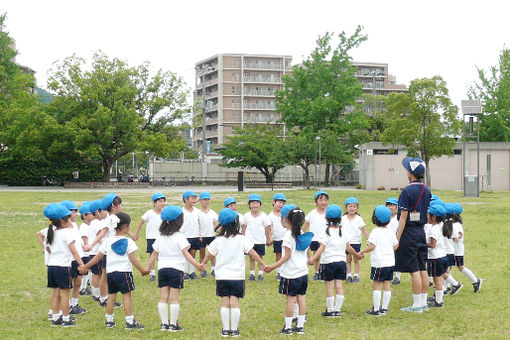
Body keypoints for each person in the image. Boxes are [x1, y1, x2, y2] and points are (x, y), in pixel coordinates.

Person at [202, 208, 265, 337]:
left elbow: (209, 254)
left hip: (222, 277)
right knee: (234, 301)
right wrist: (262, 264)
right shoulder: (242, 239)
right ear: (236, 224)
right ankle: (234, 329)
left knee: (225, 301)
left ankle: (225, 329)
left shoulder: (218, 240)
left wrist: (202, 264)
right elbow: (253, 253)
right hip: (237, 277)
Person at [79, 212, 148, 329]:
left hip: (111, 274)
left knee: (111, 296)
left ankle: (109, 320)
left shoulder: (107, 241)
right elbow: (132, 258)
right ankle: (130, 322)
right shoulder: (128, 242)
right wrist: (142, 270)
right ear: (126, 227)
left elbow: (98, 257)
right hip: (124, 273)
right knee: (126, 296)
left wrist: (86, 266)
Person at [145, 206, 204, 332]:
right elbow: (186, 254)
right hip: (176, 270)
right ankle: (173, 324)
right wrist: (197, 265)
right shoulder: (180, 237)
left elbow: (154, 254)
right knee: (174, 299)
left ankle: (164, 324)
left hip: (162, 270)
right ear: (179, 221)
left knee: (163, 297)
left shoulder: (160, 237)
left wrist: (148, 267)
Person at [265, 206, 312, 335]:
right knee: (302, 299)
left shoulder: (288, 237)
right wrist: (310, 258)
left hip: (291, 275)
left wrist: (272, 267)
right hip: (303, 273)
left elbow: (286, 256)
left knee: (291, 300)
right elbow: (307, 249)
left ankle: (288, 327)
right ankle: (300, 326)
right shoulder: (302, 234)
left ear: (286, 220)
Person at [308, 204, 360, 317]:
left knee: (330, 287)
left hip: (328, 263)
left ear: (326, 218)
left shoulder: (325, 232)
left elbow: (321, 249)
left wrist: (312, 259)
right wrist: (357, 255)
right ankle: (337, 310)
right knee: (339, 286)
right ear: (340, 219)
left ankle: (330, 310)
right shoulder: (343, 231)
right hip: (341, 263)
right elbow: (349, 247)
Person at [395, 157, 431, 313]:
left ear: (410, 173)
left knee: (413, 269)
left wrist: (396, 238)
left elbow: (403, 217)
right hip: (421, 231)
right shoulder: (426, 190)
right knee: (422, 267)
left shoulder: (407, 191)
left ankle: (416, 305)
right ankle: (423, 302)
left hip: (409, 233)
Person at [43, 203, 85, 327]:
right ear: (62, 221)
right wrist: (81, 264)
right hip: (63, 267)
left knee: (55, 292)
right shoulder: (67, 233)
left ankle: (55, 318)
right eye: (68, 218)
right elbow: (73, 250)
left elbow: (48, 249)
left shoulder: (50, 232)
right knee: (65, 293)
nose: (70, 220)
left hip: (51, 266)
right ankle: (66, 319)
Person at [359, 206, 399, 316]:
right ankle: (384, 308)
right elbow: (396, 246)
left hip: (379, 264)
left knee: (377, 285)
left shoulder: (375, 231)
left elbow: (372, 246)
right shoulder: (390, 231)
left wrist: (362, 251)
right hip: (390, 263)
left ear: (375, 219)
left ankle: (376, 309)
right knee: (387, 285)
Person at [60, 200, 88, 315]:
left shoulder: (75, 225)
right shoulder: (62, 228)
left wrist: (83, 246)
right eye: (73, 212)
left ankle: (74, 304)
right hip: (69, 259)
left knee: (78, 281)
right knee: (67, 284)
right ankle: (64, 307)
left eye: (76, 212)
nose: (76, 214)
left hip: (79, 257)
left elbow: (78, 240)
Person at [132, 192, 166, 282]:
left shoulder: (165, 213)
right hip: (151, 237)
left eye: (163, 201)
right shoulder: (149, 213)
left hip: (162, 237)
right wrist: (136, 233)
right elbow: (141, 222)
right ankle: (152, 274)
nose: (162, 203)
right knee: (152, 255)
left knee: (162, 256)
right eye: (160, 201)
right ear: (154, 203)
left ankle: (162, 272)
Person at [450, 203, 482, 293]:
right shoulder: (452, 224)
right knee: (448, 267)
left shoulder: (456, 225)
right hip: (452, 250)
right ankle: (447, 286)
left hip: (457, 250)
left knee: (460, 267)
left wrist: (457, 238)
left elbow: (460, 234)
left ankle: (476, 280)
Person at [242, 193, 272, 281]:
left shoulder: (264, 216)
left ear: (260, 204)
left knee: (260, 257)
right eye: (253, 203)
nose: (255, 205)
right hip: (250, 241)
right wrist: (242, 239)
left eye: (257, 203)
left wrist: (269, 238)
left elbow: (267, 229)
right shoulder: (246, 216)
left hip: (260, 240)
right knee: (251, 257)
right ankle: (252, 274)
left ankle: (260, 274)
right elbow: (244, 228)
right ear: (249, 205)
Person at [425, 203, 449, 308]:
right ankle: (439, 298)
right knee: (440, 279)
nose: (427, 217)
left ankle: (439, 301)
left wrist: (423, 245)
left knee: (437, 280)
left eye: (428, 215)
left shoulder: (434, 228)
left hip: (436, 257)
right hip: (443, 255)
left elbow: (433, 244)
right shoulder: (442, 225)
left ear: (434, 217)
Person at [302, 190, 329, 281]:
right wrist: (300, 233)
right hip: (315, 238)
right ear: (316, 202)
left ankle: (324, 273)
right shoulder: (312, 213)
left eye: (325, 200)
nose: (323, 202)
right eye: (321, 200)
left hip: (326, 239)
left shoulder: (329, 213)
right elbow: (306, 225)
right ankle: (317, 272)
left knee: (325, 256)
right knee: (316, 256)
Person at [342, 197, 369, 283]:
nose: (352, 208)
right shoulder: (343, 218)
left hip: (356, 242)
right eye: (350, 206)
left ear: (357, 208)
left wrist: (368, 240)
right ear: (346, 208)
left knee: (356, 259)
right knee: (348, 259)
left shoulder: (358, 219)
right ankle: (348, 275)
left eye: (354, 206)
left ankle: (356, 275)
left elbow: (364, 229)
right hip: (346, 243)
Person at [181, 191, 201, 279]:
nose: (194, 200)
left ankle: (192, 271)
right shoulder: (181, 211)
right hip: (184, 236)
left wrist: (200, 235)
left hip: (195, 235)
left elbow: (200, 223)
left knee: (193, 253)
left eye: (195, 198)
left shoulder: (198, 211)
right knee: (185, 254)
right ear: (186, 199)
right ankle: (184, 272)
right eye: (192, 198)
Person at [198, 192, 219, 277]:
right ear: (200, 201)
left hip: (211, 236)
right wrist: (199, 235)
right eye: (204, 200)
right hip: (202, 236)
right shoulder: (198, 213)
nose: (206, 202)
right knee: (202, 254)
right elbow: (197, 225)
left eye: (208, 200)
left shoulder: (212, 212)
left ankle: (214, 269)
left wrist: (217, 232)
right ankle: (202, 269)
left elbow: (215, 223)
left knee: (212, 253)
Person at [268, 193, 287, 280]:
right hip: (277, 238)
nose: (281, 205)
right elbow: (268, 228)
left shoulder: (286, 214)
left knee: (287, 255)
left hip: (286, 238)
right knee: (278, 255)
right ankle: (279, 272)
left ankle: (286, 271)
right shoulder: (270, 216)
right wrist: (270, 238)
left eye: (283, 203)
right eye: (279, 202)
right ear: (273, 202)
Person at [78, 202, 93, 296]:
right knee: (86, 271)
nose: (93, 215)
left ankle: (90, 285)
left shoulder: (91, 225)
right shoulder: (84, 227)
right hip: (86, 253)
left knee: (90, 270)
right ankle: (82, 288)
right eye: (91, 214)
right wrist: (87, 245)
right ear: (84, 216)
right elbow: (85, 239)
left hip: (91, 251)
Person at [385, 197, 401, 285]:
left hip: (395, 241)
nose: (391, 207)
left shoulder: (398, 219)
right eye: (389, 205)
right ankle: (389, 275)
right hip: (386, 242)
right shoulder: (384, 218)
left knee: (397, 259)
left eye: (393, 205)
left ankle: (397, 277)